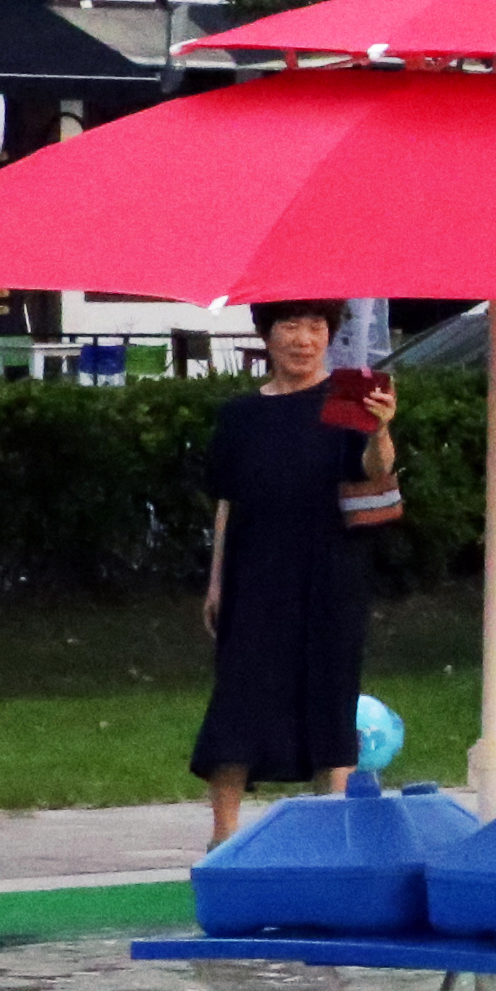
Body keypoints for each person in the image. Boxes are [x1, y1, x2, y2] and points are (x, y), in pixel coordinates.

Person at [194, 300, 397, 844]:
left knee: (330, 695)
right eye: (290, 326)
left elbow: (377, 474)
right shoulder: (239, 416)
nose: (303, 339)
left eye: (315, 327)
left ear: (329, 335)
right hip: (254, 571)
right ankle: (224, 837)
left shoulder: (347, 401)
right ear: (266, 335)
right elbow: (226, 501)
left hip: (332, 572)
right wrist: (216, 580)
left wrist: (380, 432)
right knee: (238, 698)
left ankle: (337, 834)